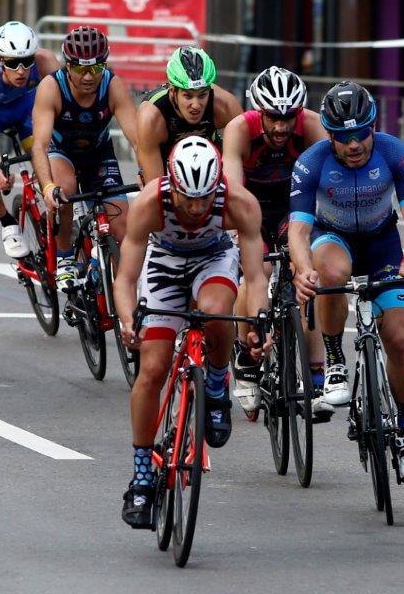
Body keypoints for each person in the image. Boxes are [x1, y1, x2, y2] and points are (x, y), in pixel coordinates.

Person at [114, 136, 271, 528]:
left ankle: (216, 386)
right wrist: (127, 318)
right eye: (189, 199)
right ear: (172, 185)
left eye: (206, 198)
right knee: (152, 369)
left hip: (213, 258)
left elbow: (254, 278)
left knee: (218, 312)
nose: (198, 208)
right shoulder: (150, 203)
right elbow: (126, 278)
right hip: (163, 264)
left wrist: (259, 323)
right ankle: (142, 474)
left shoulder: (240, 204)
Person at [287, 80, 404, 481]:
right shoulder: (311, 162)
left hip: (382, 244)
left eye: (361, 134)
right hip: (334, 239)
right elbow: (298, 230)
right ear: (330, 135)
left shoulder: (396, 153)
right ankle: (334, 360)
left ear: (373, 127)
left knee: (398, 337)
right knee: (330, 274)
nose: (354, 145)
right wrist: (303, 269)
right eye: (343, 138)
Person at [221, 66, 328, 420]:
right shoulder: (240, 130)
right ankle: (243, 352)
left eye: (288, 118)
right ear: (258, 112)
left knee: (307, 279)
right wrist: (240, 235)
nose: (281, 127)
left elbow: (325, 184)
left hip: (290, 208)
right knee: (257, 272)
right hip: (250, 207)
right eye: (273, 118)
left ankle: (316, 377)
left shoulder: (311, 126)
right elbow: (233, 190)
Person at [30, 26, 138, 291]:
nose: (89, 76)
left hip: (98, 154)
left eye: (96, 68)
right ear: (68, 66)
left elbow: (138, 139)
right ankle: (65, 257)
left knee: (122, 227)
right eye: (80, 69)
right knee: (64, 190)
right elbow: (40, 146)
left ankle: (112, 289)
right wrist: (47, 187)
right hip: (61, 151)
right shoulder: (51, 87)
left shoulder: (113, 85)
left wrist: (147, 174)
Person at [0, 21, 61, 258]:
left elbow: (64, 107)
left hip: (28, 107)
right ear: (0, 60)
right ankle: (8, 223)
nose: (21, 71)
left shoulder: (45, 61)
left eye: (26, 61)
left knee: (53, 156)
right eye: (13, 63)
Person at [135, 46, 242, 184]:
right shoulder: (151, 117)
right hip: (164, 164)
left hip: (209, 159)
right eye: (188, 96)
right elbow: (155, 190)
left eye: (202, 95)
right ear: (173, 91)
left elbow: (247, 158)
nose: (196, 105)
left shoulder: (225, 105)